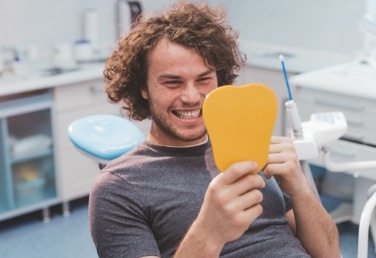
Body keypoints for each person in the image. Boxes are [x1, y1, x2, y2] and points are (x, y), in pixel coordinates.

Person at [89, 1, 341, 257]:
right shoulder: (117, 188)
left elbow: (330, 253)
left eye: (203, 79)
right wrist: (208, 233)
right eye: (173, 82)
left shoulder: (250, 148)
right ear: (142, 87)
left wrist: (299, 187)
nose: (191, 97)